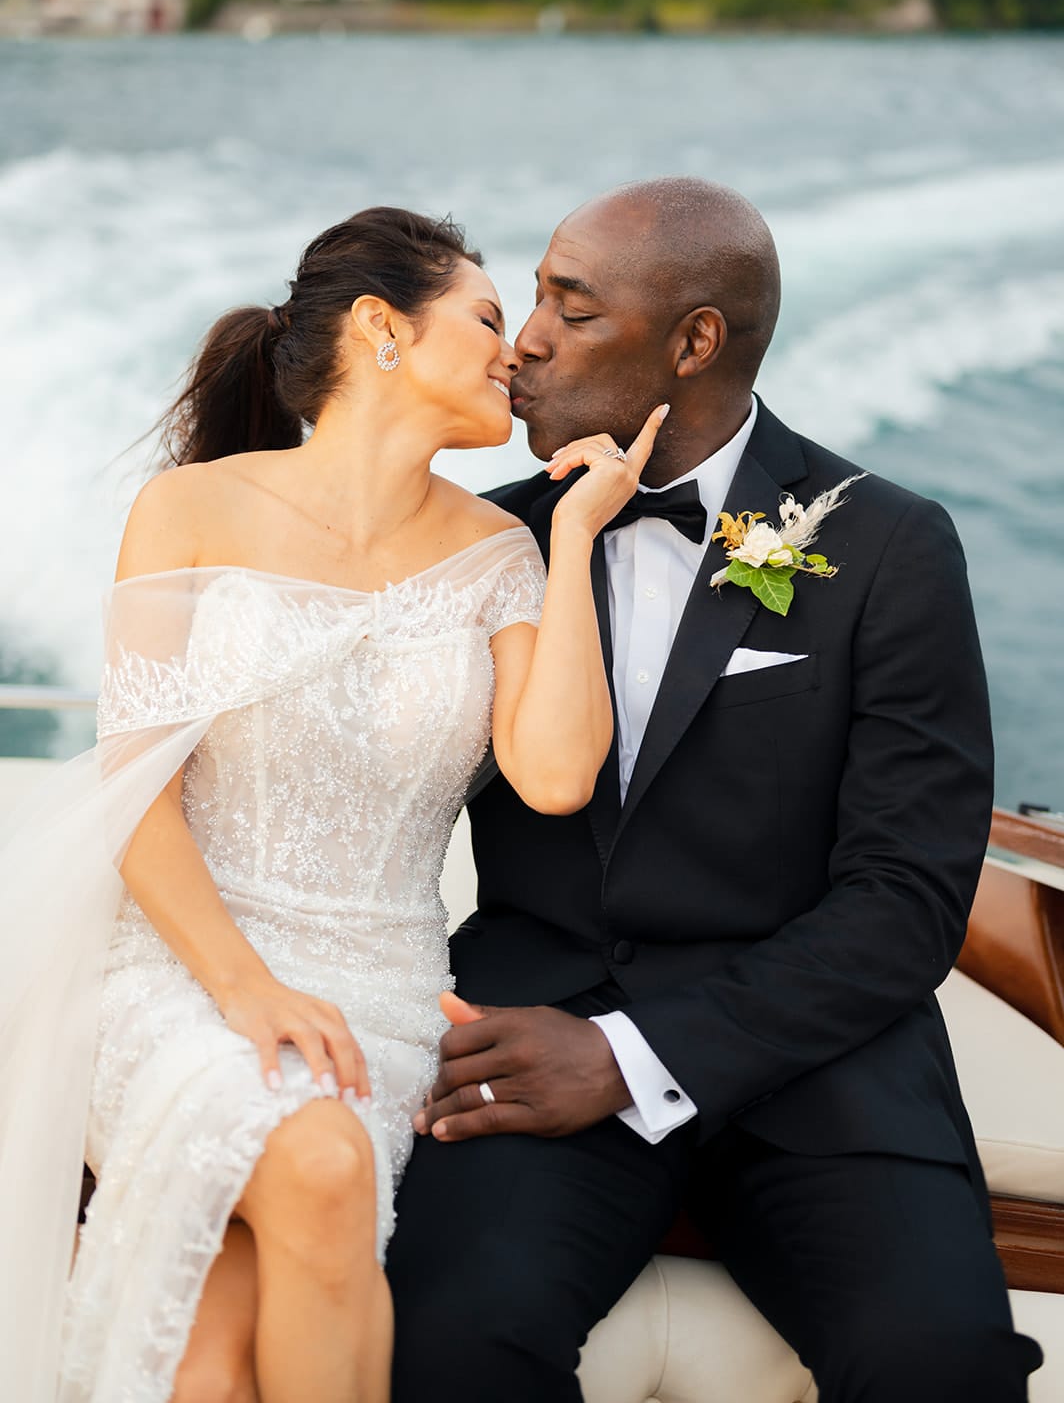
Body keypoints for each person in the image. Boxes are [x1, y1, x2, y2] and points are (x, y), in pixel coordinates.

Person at [386, 179, 1044, 1402]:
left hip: (817, 1060)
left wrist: (630, 1054)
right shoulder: (482, 543)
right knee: (447, 1339)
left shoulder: (888, 545)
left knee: (938, 1364)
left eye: (571, 308)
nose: (523, 340)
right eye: (532, 298)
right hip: (528, 1039)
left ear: (692, 341)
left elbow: (904, 897)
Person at [0, 206, 668, 1403]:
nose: (515, 348)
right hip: (178, 962)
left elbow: (556, 773)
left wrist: (572, 541)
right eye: (484, 317)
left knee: (209, 1367)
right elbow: (135, 795)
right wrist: (245, 988)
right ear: (380, 328)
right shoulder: (188, 510)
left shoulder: (501, 554)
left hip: (380, 993)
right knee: (315, 1159)